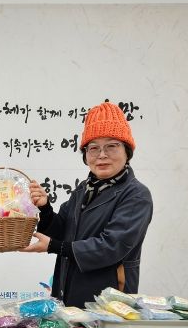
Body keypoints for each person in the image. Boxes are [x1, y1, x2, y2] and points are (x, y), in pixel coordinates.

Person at [20, 101, 153, 307]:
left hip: (108, 302)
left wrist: (55, 247)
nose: (102, 155)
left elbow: (112, 246)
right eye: (93, 148)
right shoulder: (84, 189)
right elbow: (61, 231)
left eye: (111, 146)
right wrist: (45, 208)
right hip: (68, 293)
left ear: (127, 152)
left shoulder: (136, 194)